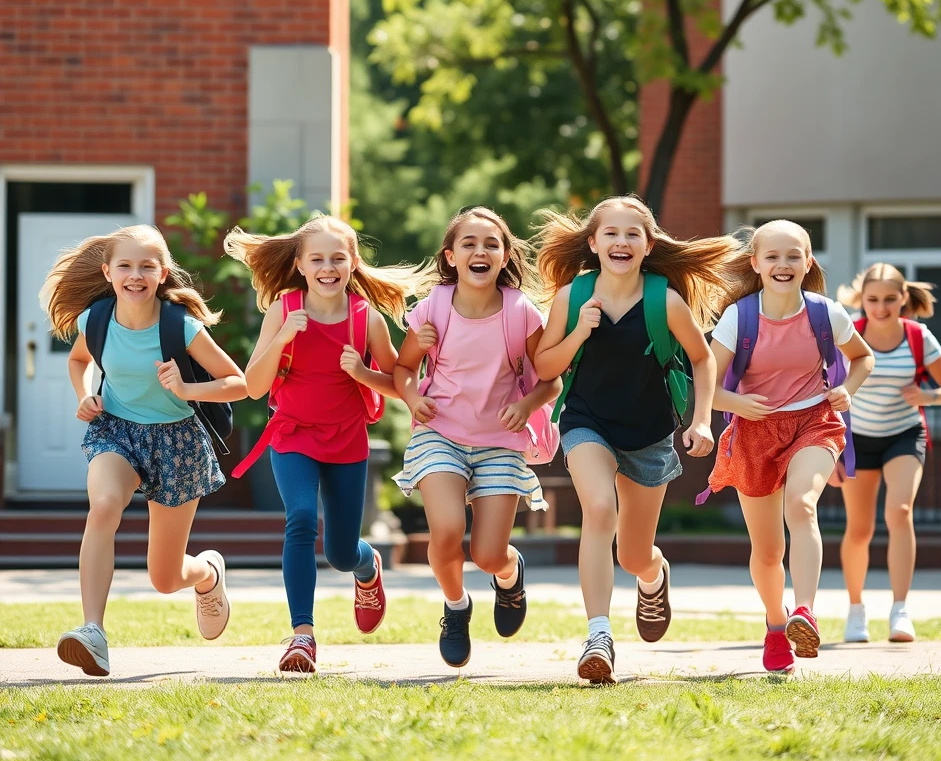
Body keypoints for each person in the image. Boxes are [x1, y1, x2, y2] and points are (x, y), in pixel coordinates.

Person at [533, 196, 737, 684]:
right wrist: (579, 332)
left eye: (632, 234)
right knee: (599, 509)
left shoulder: (664, 300)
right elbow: (543, 367)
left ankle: (653, 575)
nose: (621, 242)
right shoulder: (572, 297)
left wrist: (703, 419)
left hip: (648, 433)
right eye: (611, 233)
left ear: (648, 246)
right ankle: (598, 635)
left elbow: (703, 360)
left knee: (632, 554)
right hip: (588, 422)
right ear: (593, 243)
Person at [43, 225, 246, 677]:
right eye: (126, 266)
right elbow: (79, 361)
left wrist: (186, 385)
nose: (135, 275)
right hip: (115, 431)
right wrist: (84, 393)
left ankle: (208, 574)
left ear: (162, 272)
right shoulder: (96, 319)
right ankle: (92, 631)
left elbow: (240, 383)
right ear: (108, 272)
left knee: (165, 578)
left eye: (146, 266)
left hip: (177, 442)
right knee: (104, 506)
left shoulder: (181, 326)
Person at [225, 215, 416, 673]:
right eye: (317, 259)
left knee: (341, 552)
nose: (328, 267)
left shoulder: (365, 318)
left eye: (338, 258)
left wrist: (362, 374)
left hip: (348, 442)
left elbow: (397, 382)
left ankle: (366, 566)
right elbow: (253, 386)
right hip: (292, 436)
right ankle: (302, 637)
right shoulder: (283, 309)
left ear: (352, 263)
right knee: (302, 520)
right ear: (300, 264)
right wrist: (284, 336)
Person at [391, 206, 560, 668]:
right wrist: (412, 399)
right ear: (451, 256)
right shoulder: (433, 308)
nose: (480, 251)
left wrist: (525, 406)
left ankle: (509, 575)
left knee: (487, 554)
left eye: (491, 244)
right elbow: (403, 370)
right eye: (468, 243)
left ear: (505, 257)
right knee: (446, 532)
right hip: (439, 431)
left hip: (500, 439)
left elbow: (550, 380)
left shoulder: (521, 312)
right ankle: (456, 607)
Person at [707, 220, 874, 673]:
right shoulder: (738, 317)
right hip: (754, 430)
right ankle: (777, 624)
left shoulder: (826, 313)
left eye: (794, 255)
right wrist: (736, 401)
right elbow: (702, 384)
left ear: (808, 261)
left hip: (814, 421)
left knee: (801, 505)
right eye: (774, 256)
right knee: (765, 551)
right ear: (756, 263)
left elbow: (862, 358)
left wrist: (848, 390)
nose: (784, 264)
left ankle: (805, 611)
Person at [836, 263, 941, 643]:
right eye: (873, 299)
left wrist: (930, 396)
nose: (881, 307)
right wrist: (834, 449)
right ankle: (856, 612)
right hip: (858, 439)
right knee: (859, 529)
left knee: (900, 511)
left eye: (890, 299)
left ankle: (900, 610)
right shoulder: (850, 336)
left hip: (904, 434)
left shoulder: (918, 337)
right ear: (862, 301)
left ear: (903, 298)